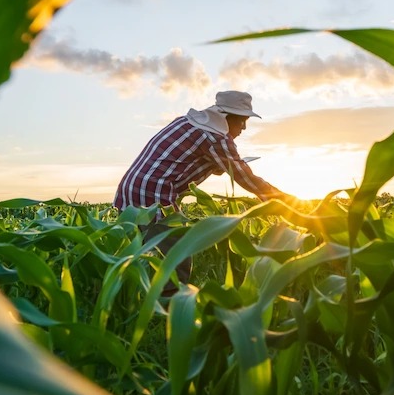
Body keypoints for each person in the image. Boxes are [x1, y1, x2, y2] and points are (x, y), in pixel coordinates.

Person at [114, 90, 291, 295]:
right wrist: (284, 202)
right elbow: (245, 177)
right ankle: (168, 304)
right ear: (226, 117)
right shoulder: (216, 137)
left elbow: (185, 160)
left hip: (132, 189)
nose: (244, 127)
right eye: (242, 121)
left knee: (140, 252)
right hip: (153, 195)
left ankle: (132, 297)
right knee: (177, 254)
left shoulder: (189, 123)